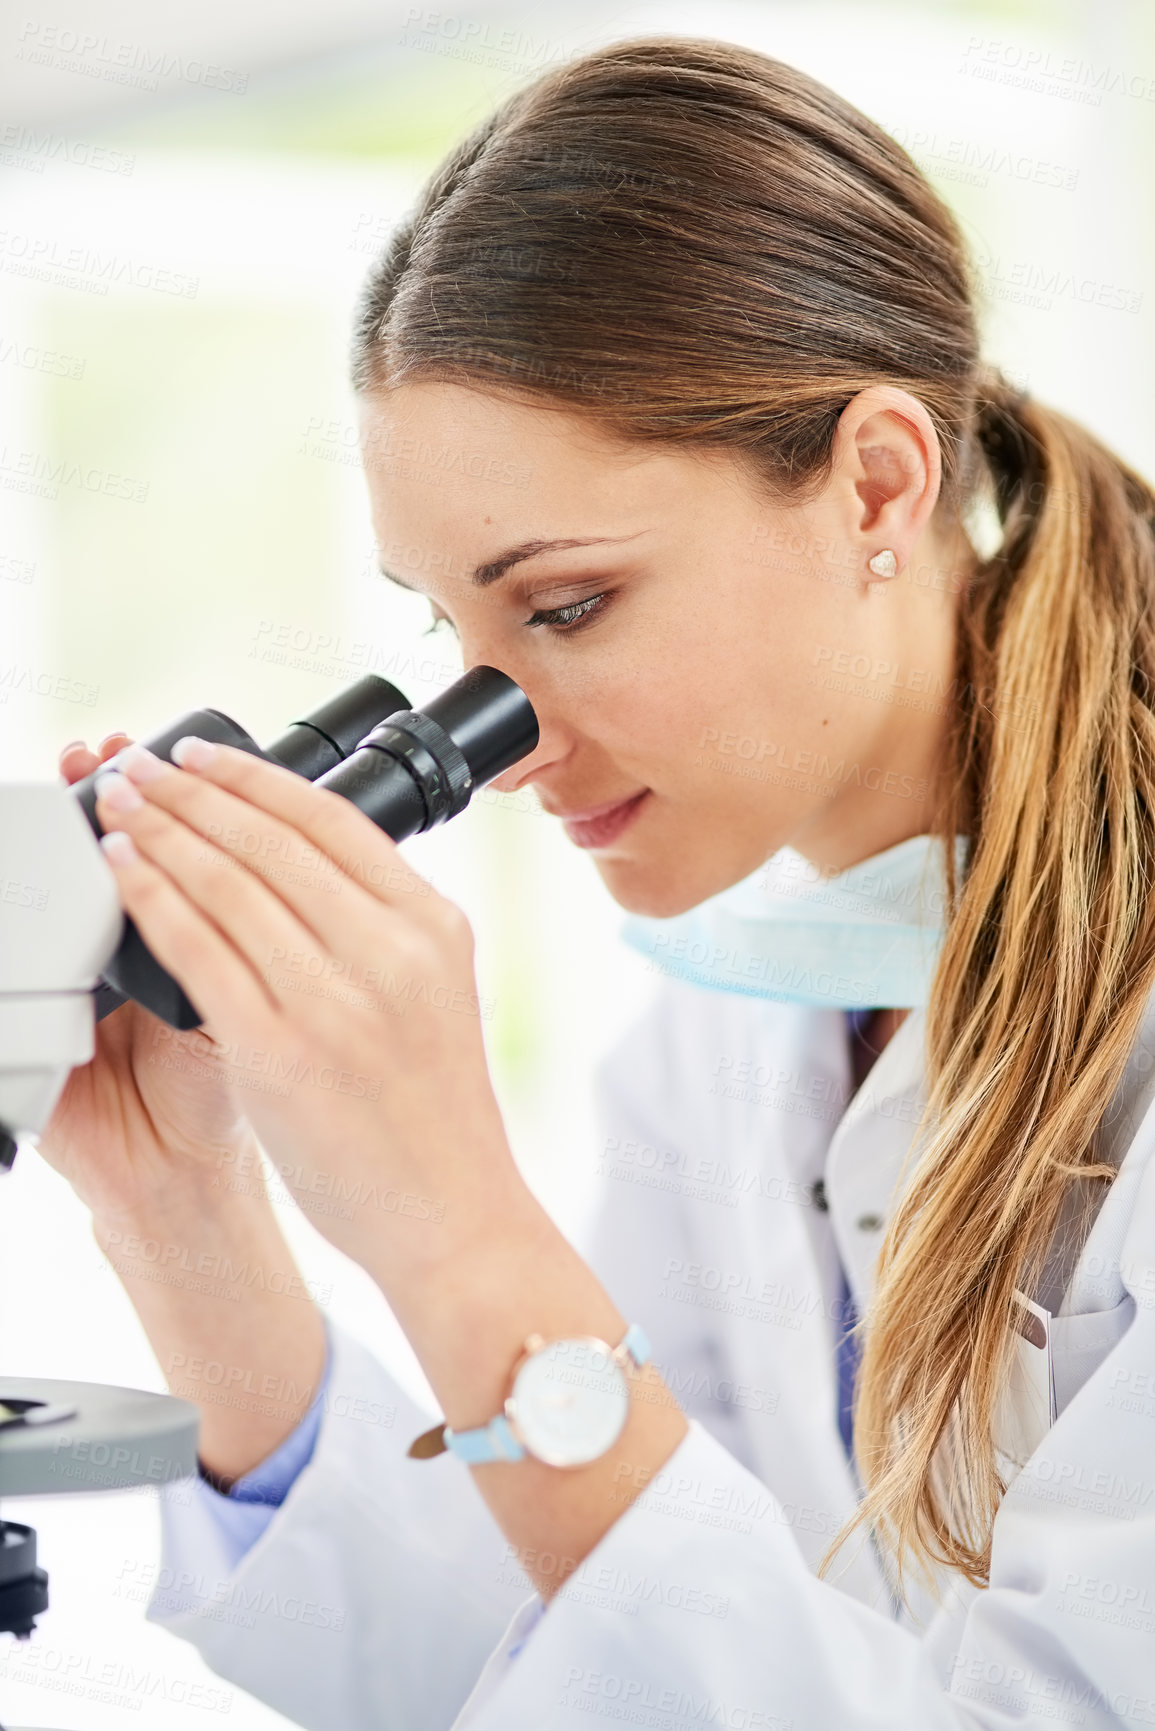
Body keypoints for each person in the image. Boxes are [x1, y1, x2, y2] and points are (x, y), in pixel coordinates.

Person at [42, 33, 1155, 1731]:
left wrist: (453, 1218)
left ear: (877, 480)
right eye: (450, 636)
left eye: (562, 610)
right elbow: (582, 1655)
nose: (499, 746)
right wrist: (179, 1209)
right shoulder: (729, 1026)